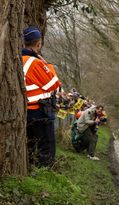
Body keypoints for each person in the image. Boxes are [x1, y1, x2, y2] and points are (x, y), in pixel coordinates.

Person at [22, 26, 62, 167]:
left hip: (26, 110)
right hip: (40, 111)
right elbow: (54, 84)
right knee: (47, 145)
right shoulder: (35, 62)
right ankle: (45, 173)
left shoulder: (17, 59)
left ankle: (32, 168)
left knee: (31, 144)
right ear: (38, 44)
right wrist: (46, 64)